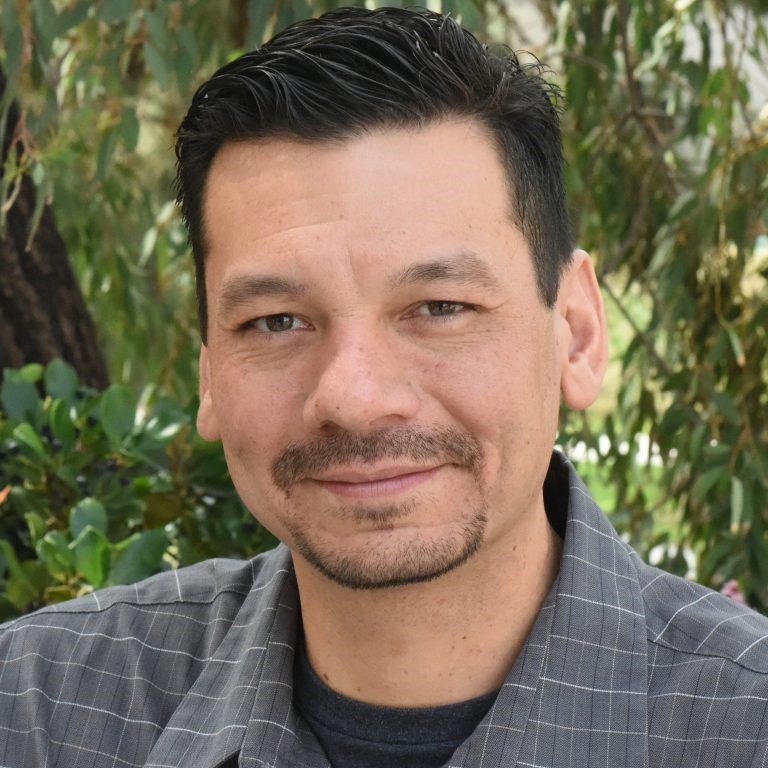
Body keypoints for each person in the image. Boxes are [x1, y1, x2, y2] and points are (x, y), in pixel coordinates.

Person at [1, 7, 766, 768]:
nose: (354, 397)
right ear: (208, 370)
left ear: (578, 332)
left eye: (440, 308)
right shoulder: (37, 711)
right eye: (276, 322)